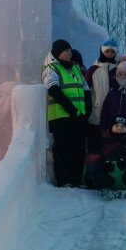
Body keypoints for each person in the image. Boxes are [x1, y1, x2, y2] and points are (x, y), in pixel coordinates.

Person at [41, 39, 87, 187]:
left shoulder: (76, 69)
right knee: (63, 150)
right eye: (65, 50)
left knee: (78, 150)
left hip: (78, 117)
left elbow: (85, 90)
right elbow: (54, 90)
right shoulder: (51, 69)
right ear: (57, 52)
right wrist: (70, 109)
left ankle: (76, 181)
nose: (69, 53)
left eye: (70, 50)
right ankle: (63, 181)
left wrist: (84, 113)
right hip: (61, 118)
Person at [84, 116, 126, 200]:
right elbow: (89, 157)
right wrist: (103, 159)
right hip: (108, 175)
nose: (119, 128)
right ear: (111, 127)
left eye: (122, 126)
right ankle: (106, 189)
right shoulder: (103, 140)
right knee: (93, 167)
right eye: (117, 126)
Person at [86, 40, 119, 151]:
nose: (109, 54)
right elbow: (86, 90)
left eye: (112, 52)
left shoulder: (119, 70)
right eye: (107, 52)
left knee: (112, 147)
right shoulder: (93, 70)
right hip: (96, 115)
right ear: (102, 52)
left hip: (115, 116)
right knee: (96, 147)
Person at [99, 60, 126, 139]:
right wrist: (104, 129)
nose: (123, 77)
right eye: (120, 74)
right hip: (111, 131)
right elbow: (105, 111)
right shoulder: (112, 92)